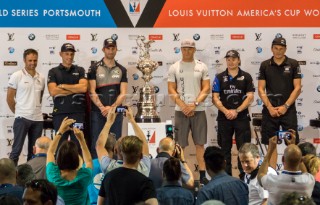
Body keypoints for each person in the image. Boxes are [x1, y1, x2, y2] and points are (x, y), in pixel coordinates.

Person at [167, 39, 210, 183]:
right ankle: (178, 175)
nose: (187, 51)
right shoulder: (174, 67)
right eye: (184, 49)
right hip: (181, 111)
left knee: (200, 144)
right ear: (181, 49)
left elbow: (206, 88)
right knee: (180, 145)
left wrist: (194, 104)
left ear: (194, 50)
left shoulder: (202, 66)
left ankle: (203, 176)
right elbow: (171, 89)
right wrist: (183, 106)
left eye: (190, 49)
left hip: (198, 110)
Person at [258, 37, 302, 167]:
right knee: (271, 144)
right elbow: (261, 89)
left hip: (288, 110)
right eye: (276, 48)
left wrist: (285, 106)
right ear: (272, 49)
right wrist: (270, 107)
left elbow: (298, 87)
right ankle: (272, 174)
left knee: (292, 144)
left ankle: (293, 173)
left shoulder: (293, 64)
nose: (278, 51)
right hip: (270, 110)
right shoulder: (265, 65)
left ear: (285, 49)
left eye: (281, 48)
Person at [212, 50, 255, 175]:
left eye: (234, 59)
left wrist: (236, 111)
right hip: (224, 118)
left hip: (241, 118)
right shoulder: (219, 77)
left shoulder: (246, 76)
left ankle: (245, 178)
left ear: (239, 60)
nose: (231, 62)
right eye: (228, 59)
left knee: (244, 150)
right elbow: (215, 98)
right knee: (225, 150)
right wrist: (227, 111)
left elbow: (250, 97)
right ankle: (226, 178)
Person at [88, 38, 128, 158]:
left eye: (113, 48)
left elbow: (123, 93)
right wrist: (102, 108)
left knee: (115, 144)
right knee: (97, 142)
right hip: (98, 112)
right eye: (108, 48)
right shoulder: (94, 68)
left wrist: (112, 108)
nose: (110, 51)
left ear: (116, 49)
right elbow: (91, 91)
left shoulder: (122, 69)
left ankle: (114, 171)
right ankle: (96, 171)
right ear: (103, 49)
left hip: (115, 113)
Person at [7, 48, 45, 165]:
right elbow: (9, 98)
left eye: (35, 60)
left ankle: (31, 181)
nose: (32, 63)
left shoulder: (41, 77)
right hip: (22, 118)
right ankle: (10, 180)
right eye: (30, 60)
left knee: (34, 153)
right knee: (16, 151)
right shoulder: (17, 75)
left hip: (38, 120)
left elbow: (40, 97)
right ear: (24, 60)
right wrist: (19, 112)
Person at [257, 131, 315, 205]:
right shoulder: (309, 181)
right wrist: (293, 145)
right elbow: (305, 173)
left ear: (283, 159)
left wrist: (270, 150)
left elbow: (260, 175)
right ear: (301, 160)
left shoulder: (273, 181)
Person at [47, 43, 87, 149]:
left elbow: (83, 88)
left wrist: (63, 86)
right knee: (60, 146)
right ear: (60, 54)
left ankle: (79, 166)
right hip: (60, 114)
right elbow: (53, 91)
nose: (69, 57)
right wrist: (74, 89)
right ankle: (60, 166)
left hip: (77, 113)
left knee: (78, 145)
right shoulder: (53, 71)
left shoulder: (80, 70)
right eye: (66, 54)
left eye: (71, 54)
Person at [98, 135, 158, 205]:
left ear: (121, 153)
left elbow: (99, 203)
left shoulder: (108, 177)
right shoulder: (145, 182)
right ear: (141, 156)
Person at [46, 117, 92, 205]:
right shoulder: (84, 176)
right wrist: (81, 140)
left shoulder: (53, 175)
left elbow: (50, 152)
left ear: (59, 157)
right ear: (77, 159)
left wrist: (60, 131)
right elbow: (89, 161)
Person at [96, 106, 151, 177]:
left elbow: (99, 146)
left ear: (115, 151)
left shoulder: (109, 167)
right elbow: (144, 143)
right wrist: (132, 120)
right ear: (140, 154)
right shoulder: (144, 168)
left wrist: (109, 122)